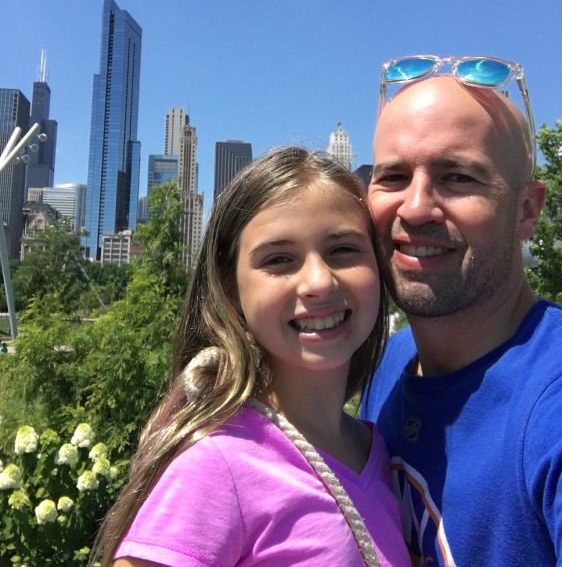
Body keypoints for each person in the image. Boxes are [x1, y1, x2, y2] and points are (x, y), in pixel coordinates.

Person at [92, 147, 411, 567]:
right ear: (229, 289)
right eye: (279, 259)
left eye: (344, 250)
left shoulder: (378, 453)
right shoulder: (217, 464)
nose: (318, 281)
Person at [361, 55, 561, 566]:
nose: (415, 207)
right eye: (393, 177)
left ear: (527, 210)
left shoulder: (550, 402)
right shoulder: (383, 366)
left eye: (458, 177)